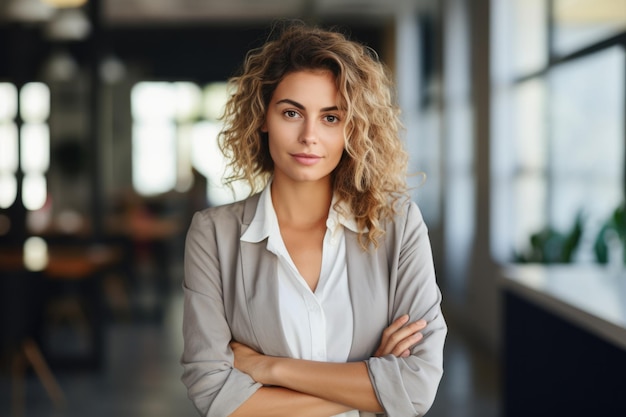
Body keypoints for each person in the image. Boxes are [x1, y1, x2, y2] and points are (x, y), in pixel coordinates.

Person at [181, 22, 447, 417]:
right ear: (263, 117)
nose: (309, 135)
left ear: (351, 128)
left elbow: (418, 386)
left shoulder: (398, 225)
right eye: (292, 112)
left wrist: (269, 368)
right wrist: (371, 380)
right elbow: (213, 393)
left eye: (330, 118)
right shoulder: (213, 235)